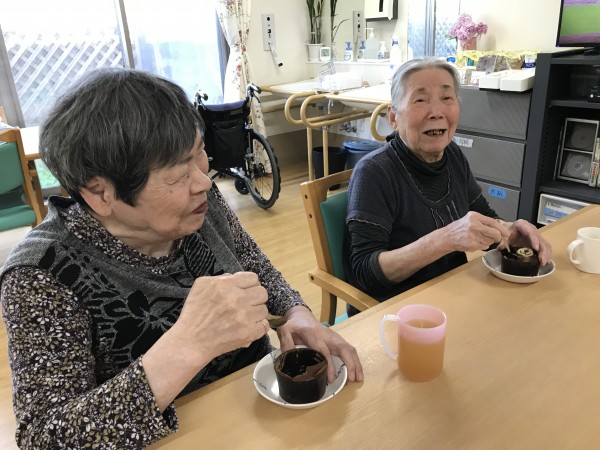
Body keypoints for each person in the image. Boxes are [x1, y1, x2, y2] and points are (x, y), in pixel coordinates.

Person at [0, 68, 362, 449]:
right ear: (100, 194)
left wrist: (294, 312)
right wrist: (188, 345)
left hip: (258, 413)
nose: (204, 182)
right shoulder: (41, 275)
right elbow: (44, 438)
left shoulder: (201, 204)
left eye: (199, 153)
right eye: (176, 174)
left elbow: (254, 265)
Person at [343, 58, 552, 314]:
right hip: (396, 314)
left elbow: (482, 215)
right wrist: (447, 238)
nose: (436, 112)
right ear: (394, 117)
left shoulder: (452, 155)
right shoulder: (374, 172)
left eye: (446, 98)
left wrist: (508, 231)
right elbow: (364, 272)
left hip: (452, 295)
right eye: (421, 100)